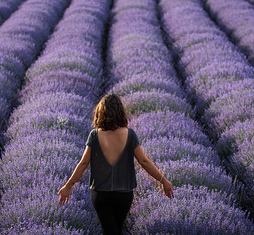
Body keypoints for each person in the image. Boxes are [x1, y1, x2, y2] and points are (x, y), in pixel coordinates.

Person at [57, 93, 174, 234]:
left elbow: (83, 163)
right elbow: (144, 161)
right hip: (124, 193)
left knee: (111, 230)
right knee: (115, 229)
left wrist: (68, 186)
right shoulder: (130, 135)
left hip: (101, 193)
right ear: (120, 112)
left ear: (101, 112)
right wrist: (163, 180)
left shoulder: (94, 135)